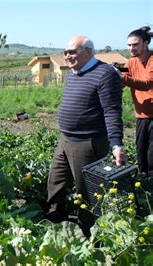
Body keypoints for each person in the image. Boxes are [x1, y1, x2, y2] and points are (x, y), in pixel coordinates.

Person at [45, 36, 127, 237]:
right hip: (66, 139)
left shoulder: (105, 74)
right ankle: (55, 225)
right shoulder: (74, 73)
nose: (67, 56)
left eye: (72, 51)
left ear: (88, 51)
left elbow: (112, 110)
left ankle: (89, 235)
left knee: (86, 192)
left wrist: (117, 145)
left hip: (88, 143)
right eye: (65, 52)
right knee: (55, 182)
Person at [117, 26, 153, 183]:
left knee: (152, 157)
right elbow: (122, 75)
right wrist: (111, 72)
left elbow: (147, 83)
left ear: (145, 43)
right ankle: (144, 187)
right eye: (129, 45)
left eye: (135, 45)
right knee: (141, 155)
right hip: (141, 116)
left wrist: (123, 78)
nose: (131, 48)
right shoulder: (130, 62)